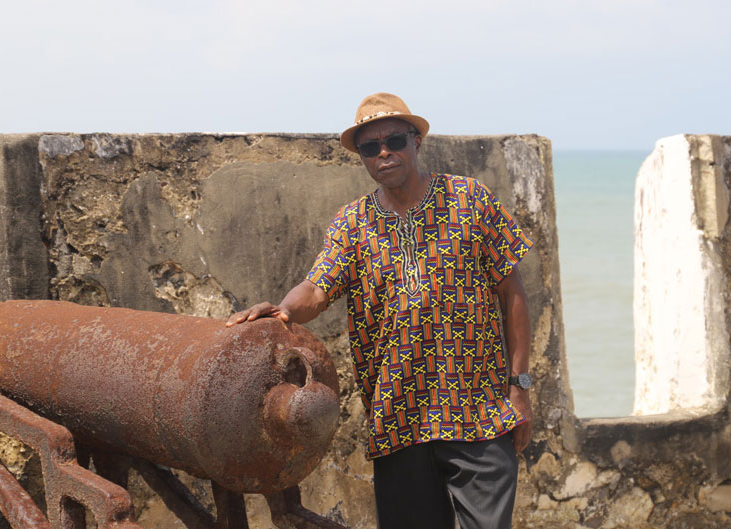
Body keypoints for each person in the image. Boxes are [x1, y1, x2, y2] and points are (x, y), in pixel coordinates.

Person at [226, 93, 534, 529]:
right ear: (363, 159)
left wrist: (518, 387)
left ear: (417, 142)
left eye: (394, 140)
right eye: (371, 147)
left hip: (478, 415)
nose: (384, 153)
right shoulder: (354, 223)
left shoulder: (469, 200)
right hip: (399, 419)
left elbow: (513, 293)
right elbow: (317, 287)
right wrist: (283, 311)